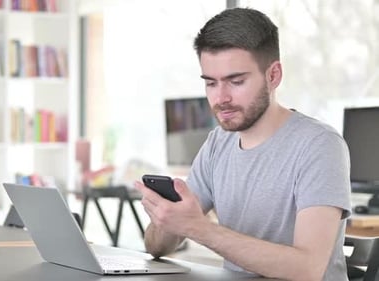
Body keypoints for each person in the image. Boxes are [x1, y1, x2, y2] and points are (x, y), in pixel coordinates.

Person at [134, 7, 351, 281]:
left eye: (235, 81)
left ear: (273, 76)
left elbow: (307, 269)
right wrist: (167, 218)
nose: (221, 97)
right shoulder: (217, 144)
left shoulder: (320, 146)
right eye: (211, 83)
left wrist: (198, 228)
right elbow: (156, 247)